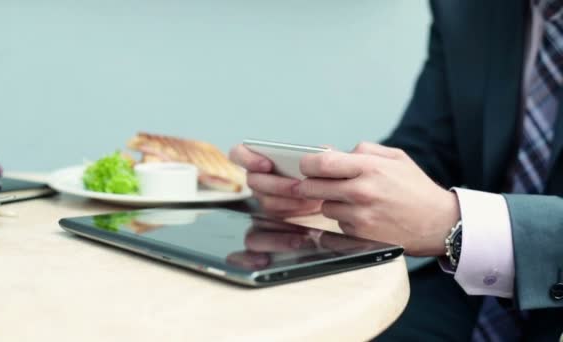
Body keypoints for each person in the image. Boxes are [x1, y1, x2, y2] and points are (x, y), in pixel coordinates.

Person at [229, 0, 563, 340]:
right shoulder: (466, 8)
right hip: (470, 297)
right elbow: (429, 149)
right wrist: (339, 190)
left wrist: (455, 222)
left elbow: (444, 214)